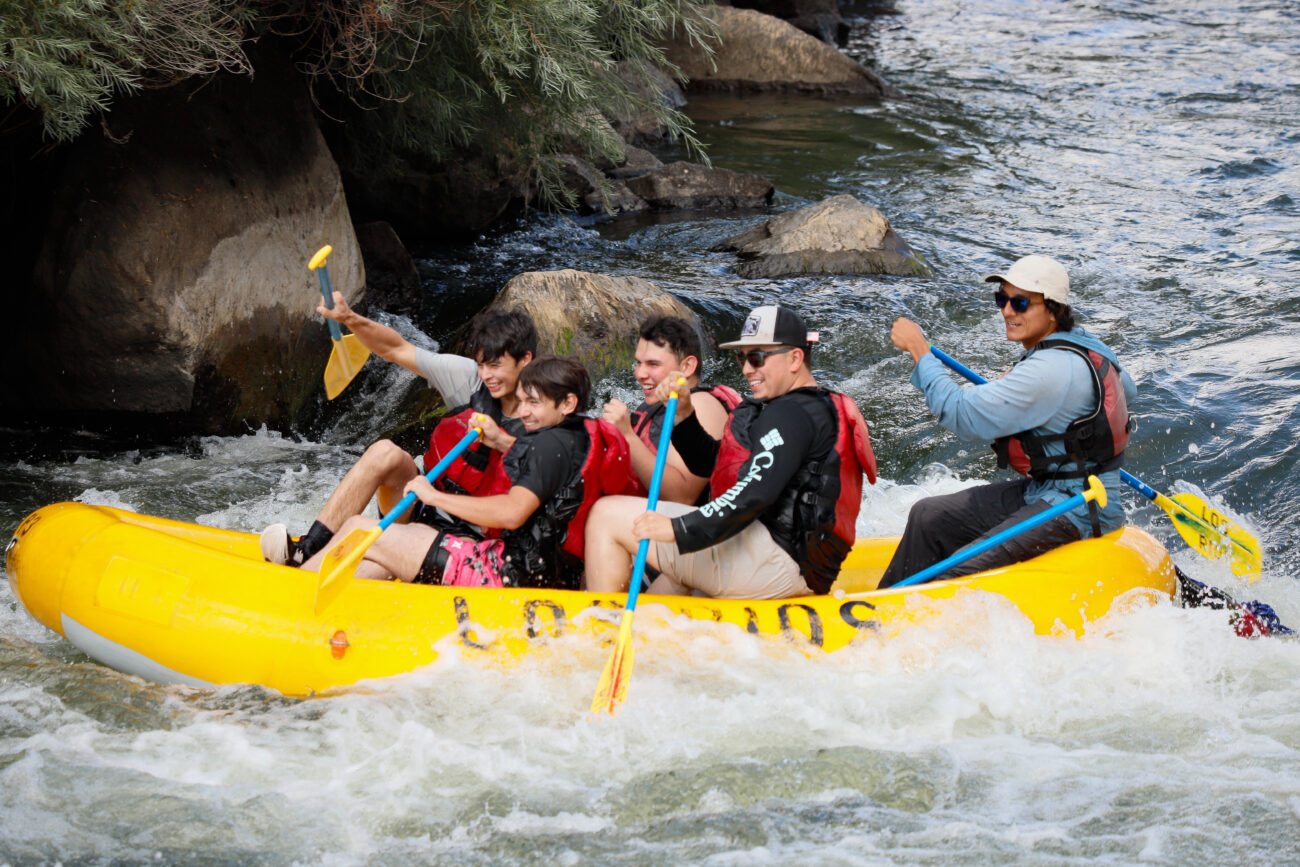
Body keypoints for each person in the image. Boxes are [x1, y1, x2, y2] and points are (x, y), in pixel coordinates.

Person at [584, 305, 877, 599]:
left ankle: (601, 629)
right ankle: (650, 632)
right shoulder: (801, 406)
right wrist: (685, 415)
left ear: (795, 358)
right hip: (793, 563)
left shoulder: (792, 413)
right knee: (673, 581)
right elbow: (717, 467)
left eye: (757, 357)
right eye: (742, 357)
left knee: (605, 514)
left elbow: (755, 492)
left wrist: (681, 527)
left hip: (774, 562)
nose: (747, 368)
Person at [878, 254, 1136, 588]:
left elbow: (961, 414)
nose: (1007, 311)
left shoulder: (1048, 370)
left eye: (1021, 302)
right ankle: (876, 610)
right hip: (1053, 489)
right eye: (1002, 299)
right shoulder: (1086, 345)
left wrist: (919, 352)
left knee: (954, 577)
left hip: (1078, 508)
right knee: (929, 516)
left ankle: (904, 619)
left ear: (1054, 309)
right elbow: (1127, 390)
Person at [299, 356, 638, 589]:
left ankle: (293, 591)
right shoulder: (587, 435)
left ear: (567, 403)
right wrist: (503, 442)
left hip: (503, 576)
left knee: (360, 529)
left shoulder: (548, 446)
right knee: (390, 544)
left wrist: (433, 496)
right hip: (552, 574)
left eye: (533, 403)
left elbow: (511, 512)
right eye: (521, 401)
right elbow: (554, 476)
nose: (523, 412)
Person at [260, 296, 537, 566]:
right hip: (425, 506)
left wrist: (501, 440)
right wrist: (349, 318)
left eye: (495, 365)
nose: (487, 375)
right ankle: (307, 551)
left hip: (473, 541)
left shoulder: (547, 411)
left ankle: (315, 577)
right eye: (482, 364)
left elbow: (548, 473)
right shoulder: (471, 379)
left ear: (525, 360)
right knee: (384, 453)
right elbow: (396, 349)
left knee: (378, 557)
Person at [602, 315, 740, 505]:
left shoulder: (701, 405)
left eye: (653, 364)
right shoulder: (658, 404)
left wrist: (627, 435)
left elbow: (681, 497)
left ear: (687, 366)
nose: (639, 374)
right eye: (638, 363)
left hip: (689, 527)